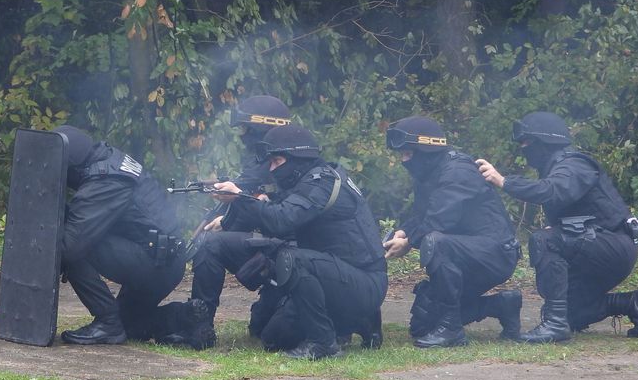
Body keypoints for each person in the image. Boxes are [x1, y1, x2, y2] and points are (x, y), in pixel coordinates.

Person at [475, 111, 638, 343]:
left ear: (544, 141)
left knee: (544, 240)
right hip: (602, 245)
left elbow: (552, 190)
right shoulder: (558, 167)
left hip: (613, 246)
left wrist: (504, 181)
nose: (523, 148)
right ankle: (633, 303)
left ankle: (555, 325)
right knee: (573, 313)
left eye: (527, 142)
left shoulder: (575, 164)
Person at [213, 124, 388, 359]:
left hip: (363, 281)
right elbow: (286, 208)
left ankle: (324, 343)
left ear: (297, 157)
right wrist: (260, 200)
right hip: (338, 276)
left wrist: (241, 198)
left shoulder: (322, 182)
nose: (272, 169)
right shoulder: (312, 180)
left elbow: (282, 220)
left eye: (276, 162)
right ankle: (352, 322)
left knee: (292, 259)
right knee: (273, 337)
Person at [150, 95, 292, 349]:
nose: (242, 135)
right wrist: (229, 210)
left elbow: (279, 208)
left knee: (211, 245)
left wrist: (228, 218)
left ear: (263, 127)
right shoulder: (262, 162)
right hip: (276, 246)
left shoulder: (289, 160)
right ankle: (199, 322)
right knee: (259, 326)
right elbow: (253, 203)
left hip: (297, 253)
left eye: (247, 129)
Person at [381, 116, 522, 348]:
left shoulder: (458, 171)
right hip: (465, 252)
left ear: (424, 149)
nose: (404, 160)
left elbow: (439, 219)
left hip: (495, 254)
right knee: (423, 326)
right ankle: (502, 305)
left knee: (435, 241)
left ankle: (452, 330)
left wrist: (408, 244)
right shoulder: (429, 174)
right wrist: (402, 232)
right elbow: (422, 215)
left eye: (408, 154)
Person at [54, 125, 187, 346]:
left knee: (71, 248)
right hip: (163, 258)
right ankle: (186, 318)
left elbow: (71, 247)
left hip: (156, 263)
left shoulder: (105, 180)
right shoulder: (109, 159)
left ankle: (107, 322)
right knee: (132, 326)